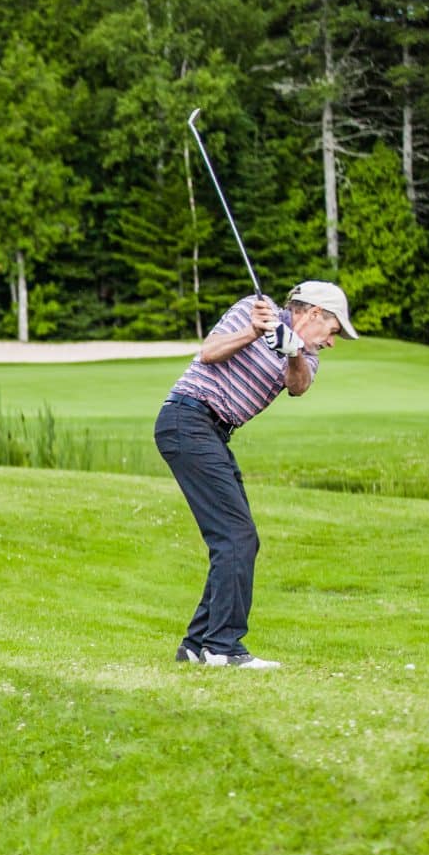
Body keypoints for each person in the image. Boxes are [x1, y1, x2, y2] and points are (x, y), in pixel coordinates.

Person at [155, 280, 356, 669]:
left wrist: (292, 350)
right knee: (235, 536)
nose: (331, 342)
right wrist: (254, 332)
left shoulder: (307, 354)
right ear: (314, 313)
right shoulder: (254, 308)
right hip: (187, 417)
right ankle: (223, 647)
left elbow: (298, 386)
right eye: (333, 331)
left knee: (239, 538)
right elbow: (209, 352)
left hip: (211, 432)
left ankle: (197, 645)